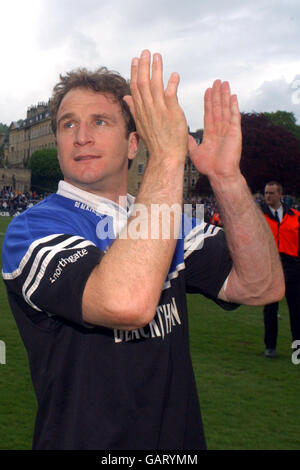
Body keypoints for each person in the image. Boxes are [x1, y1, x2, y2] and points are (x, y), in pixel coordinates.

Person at [1, 51, 284, 450]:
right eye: (69, 124)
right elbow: (126, 303)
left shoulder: (166, 217)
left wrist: (227, 178)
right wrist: (168, 157)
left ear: (133, 144)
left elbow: (260, 285)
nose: (82, 135)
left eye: (100, 122)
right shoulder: (30, 230)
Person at [261, 181, 300, 358]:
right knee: (270, 309)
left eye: (271, 193)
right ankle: (270, 347)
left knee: (296, 311)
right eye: (266, 193)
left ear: (280, 195)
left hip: (292, 266)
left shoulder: (295, 216)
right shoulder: (260, 217)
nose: (267, 196)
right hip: (271, 265)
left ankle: (298, 348)